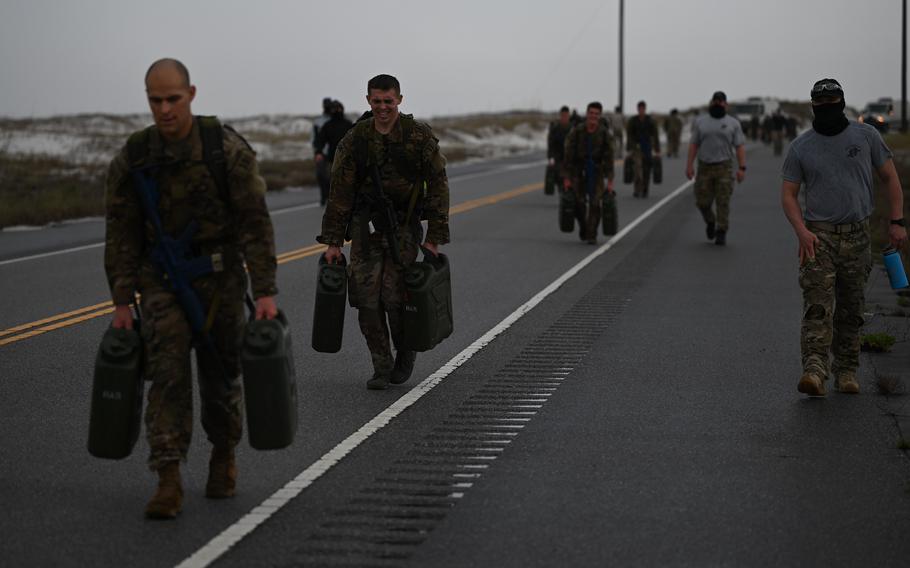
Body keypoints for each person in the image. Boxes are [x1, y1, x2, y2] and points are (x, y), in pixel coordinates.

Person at [104, 58, 279, 519]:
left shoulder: (224, 150)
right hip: (161, 283)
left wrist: (265, 291)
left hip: (220, 280)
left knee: (222, 377)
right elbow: (120, 231)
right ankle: (168, 477)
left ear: (191, 94)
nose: (164, 109)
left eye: (172, 99)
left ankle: (224, 456)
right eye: (155, 100)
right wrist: (121, 299)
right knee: (166, 377)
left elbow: (255, 223)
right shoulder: (136, 156)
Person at [318, 74, 449, 390]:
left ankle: (405, 352)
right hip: (365, 229)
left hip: (403, 228)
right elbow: (340, 193)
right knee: (366, 300)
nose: (382, 108)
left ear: (400, 100)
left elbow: (439, 185)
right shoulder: (355, 140)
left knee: (394, 297)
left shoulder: (418, 137)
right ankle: (381, 366)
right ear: (368, 101)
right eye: (376, 101)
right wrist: (333, 241)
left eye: (388, 101)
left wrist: (435, 235)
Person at [781, 78, 907, 396]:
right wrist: (801, 231)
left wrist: (897, 221)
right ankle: (814, 370)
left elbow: (890, 178)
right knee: (818, 307)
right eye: (820, 105)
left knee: (851, 308)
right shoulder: (801, 147)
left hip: (858, 236)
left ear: (841, 103)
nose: (826, 109)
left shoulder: (866, 136)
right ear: (813, 108)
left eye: (832, 103)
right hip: (818, 238)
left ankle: (847, 371)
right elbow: (788, 195)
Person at [685, 91, 746, 246]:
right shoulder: (701, 122)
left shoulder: (733, 123)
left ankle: (721, 230)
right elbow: (693, 144)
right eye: (715, 101)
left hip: (724, 166)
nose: (718, 103)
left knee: (723, 201)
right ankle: (711, 221)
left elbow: (739, 146)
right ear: (711, 102)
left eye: (721, 101)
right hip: (704, 166)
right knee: (702, 202)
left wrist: (742, 168)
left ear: (725, 104)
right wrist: (689, 165)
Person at [562, 101, 615, 244]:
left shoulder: (604, 134)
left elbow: (610, 158)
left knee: (595, 203)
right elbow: (567, 155)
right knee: (579, 203)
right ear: (587, 114)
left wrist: (610, 181)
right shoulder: (577, 131)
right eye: (591, 113)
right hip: (578, 171)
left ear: (600, 116)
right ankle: (584, 226)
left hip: (597, 171)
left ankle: (592, 233)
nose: (593, 116)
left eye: (596, 114)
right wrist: (566, 178)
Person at [313, 100, 354, 192]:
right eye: (334, 109)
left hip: (349, 158)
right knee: (330, 179)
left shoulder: (348, 124)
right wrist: (318, 152)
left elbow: (356, 141)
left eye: (338, 109)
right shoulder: (327, 126)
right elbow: (319, 140)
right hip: (333, 158)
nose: (337, 111)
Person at [626, 100, 660, 198]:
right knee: (637, 170)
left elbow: (655, 135)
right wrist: (629, 148)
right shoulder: (633, 121)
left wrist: (657, 150)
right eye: (639, 109)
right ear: (637, 109)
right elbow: (629, 135)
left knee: (646, 170)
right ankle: (637, 190)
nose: (641, 110)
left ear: (645, 109)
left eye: (643, 109)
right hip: (636, 148)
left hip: (647, 148)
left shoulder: (650, 121)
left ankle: (645, 189)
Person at [546, 106, 572, 194]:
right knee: (560, 178)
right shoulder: (555, 128)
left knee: (571, 178)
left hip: (570, 158)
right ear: (560, 116)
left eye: (566, 115)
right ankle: (563, 195)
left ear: (569, 115)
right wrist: (551, 158)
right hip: (558, 158)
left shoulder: (573, 128)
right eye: (563, 115)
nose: (564, 117)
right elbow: (551, 144)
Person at [313, 97, 334, 205]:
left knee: (332, 175)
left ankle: (331, 195)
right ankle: (323, 195)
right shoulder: (318, 121)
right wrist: (317, 151)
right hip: (321, 152)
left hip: (333, 151)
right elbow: (314, 137)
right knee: (321, 174)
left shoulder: (335, 119)